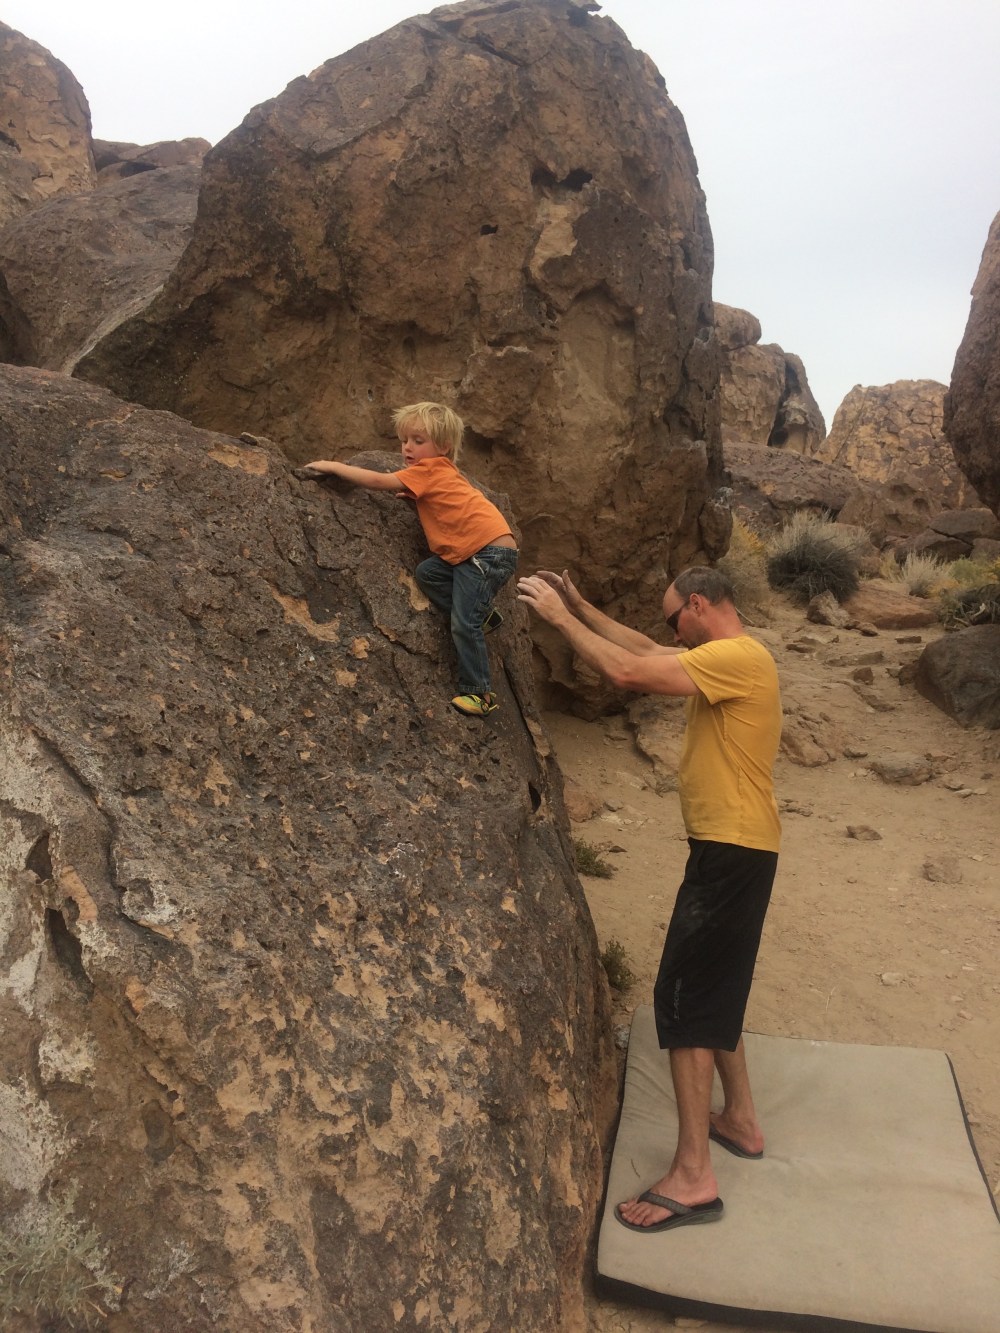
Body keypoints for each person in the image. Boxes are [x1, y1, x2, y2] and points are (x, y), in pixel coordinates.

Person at [516, 565, 781, 1234]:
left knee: (684, 997)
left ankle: (694, 1173)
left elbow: (629, 672)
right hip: (736, 845)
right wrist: (582, 600)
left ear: (697, 605)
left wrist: (557, 616)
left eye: (674, 619)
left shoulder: (739, 658)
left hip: (732, 848)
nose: (671, 633)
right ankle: (741, 1121)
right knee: (713, 987)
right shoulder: (727, 656)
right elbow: (642, 647)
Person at [301, 402, 518, 717]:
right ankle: (485, 616)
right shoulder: (441, 474)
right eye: (405, 440)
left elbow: (378, 482)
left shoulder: (429, 470)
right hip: (479, 551)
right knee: (428, 573)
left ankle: (479, 694)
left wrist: (332, 466)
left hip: (485, 552)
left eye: (419, 441)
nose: (408, 447)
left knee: (463, 624)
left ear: (443, 447)